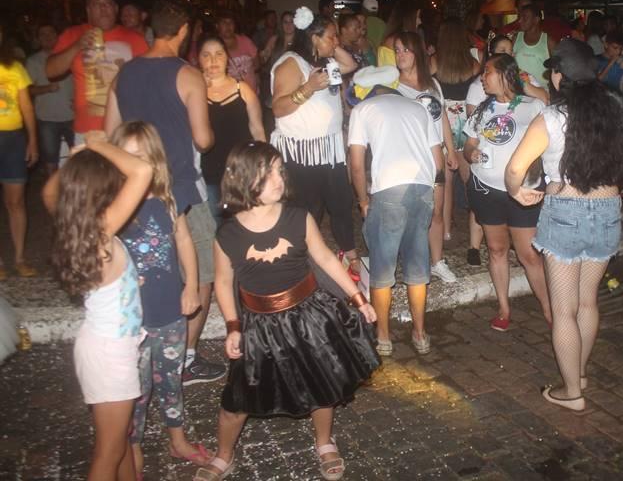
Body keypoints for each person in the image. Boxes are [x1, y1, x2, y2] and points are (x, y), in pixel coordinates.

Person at [194, 142, 379, 481]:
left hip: (309, 316)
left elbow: (325, 259)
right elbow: (223, 281)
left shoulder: (297, 218)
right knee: (238, 396)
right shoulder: (228, 234)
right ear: (244, 180)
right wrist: (233, 325)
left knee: (322, 383)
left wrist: (358, 298)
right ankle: (224, 454)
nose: (279, 179)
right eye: (268, 174)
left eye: (280, 171)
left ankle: (324, 441)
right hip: (258, 324)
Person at [506, 38, 623, 411]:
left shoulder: (551, 118)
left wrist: (516, 191)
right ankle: (578, 373)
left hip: (565, 210)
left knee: (563, 309)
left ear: (558, 76)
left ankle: (572, 393)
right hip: (608, 209)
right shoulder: (614, 111)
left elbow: (515, 169)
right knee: (587, 301)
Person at [105, 0, 223, 387]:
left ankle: (140, 351)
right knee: (200, 273)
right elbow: (203, 140)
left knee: (145, 273)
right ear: (184, 30)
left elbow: (110, 135)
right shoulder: (188, 75)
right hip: (181, 190)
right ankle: (183, 358)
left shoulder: (124, 74)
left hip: (134, 195)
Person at [45, 133, 153, 481]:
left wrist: (75, 161)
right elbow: (142, 171)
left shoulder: (75, 227)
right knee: (108, 452)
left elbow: (48, 193)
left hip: (101, 345)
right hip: (110, 354)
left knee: (119, 442)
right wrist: (96, 145)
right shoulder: (101, 232)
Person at [107, 122, 209, 474]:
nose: (136, 164)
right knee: (135, 388)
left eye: (142, 156)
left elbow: (184, 241)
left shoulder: (167, 199)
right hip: (130, 320)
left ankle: (177, 440)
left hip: (169, 311)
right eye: (127, 157)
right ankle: (130, 445)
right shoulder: (113, 207)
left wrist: (191, 285)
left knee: (170, 378)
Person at [348, 65, 443, 357]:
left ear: (366, 92)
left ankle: (384, 337)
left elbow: (356, 165)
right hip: (422, 187)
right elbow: (438, 161)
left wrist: (363, 201)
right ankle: (420, 334)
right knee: (417, 264)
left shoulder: (362, 110)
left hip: (388, 189)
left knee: (382, 266)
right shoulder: (419, 108)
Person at [270, 7, 362, 281]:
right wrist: (308, 88)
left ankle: (350, 255)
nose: (336, 41)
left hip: (328, 149)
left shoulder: (324, 61)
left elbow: (351, 65)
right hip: (302, 153)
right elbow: (278, 107)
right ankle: (301, 264)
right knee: (308, 210)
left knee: (341, 203)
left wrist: (330, 46)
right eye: (331, 36)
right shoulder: (290, 63)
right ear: (313, 38)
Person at [463, 53, 551, 330]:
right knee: (496, 249)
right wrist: (470, 153)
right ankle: (503, 308)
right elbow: (469, 144)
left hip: (523, 191)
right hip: (486, 189)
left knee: (528, 254)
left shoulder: (532, 106)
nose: (482, 78)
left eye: (487, 71)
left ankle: (550, 310)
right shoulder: (482, 109)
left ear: (504, 74)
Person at [394, 31, 460, 282]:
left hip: (435, 158)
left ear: (418, 53)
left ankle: (437, 262)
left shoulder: (433, 84)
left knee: (436, 211)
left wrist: (451, 150)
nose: (400, 55)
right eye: (397, 50)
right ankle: (411, 261)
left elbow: (441, 117)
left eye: (405, 50)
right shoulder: (392, 86)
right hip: (408, 158)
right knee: (409, 213)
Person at [46, 0, 148, 140]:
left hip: (125, 129)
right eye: (96, 4)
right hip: (88, 131)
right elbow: (50, 71)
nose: (103, 8)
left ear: (115, 9)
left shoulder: (135, 39)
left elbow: (148, 82)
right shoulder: (73, 34)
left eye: (107, 3)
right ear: (88, 10)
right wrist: (77, 46)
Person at [198, 36, 266, 223]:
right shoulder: (194, 92)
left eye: (219, 54)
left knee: (245, 221)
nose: (213, 60)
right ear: (198, 59)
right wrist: (199, 87)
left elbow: (258, 130)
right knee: (217, 224)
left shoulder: (243, 89)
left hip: (240, 170)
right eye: (206, 55)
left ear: (227, 58)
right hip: (208, 172)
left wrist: (262, 166)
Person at [431, 17, 482, 242]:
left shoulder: (434, 61)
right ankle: (478, 225)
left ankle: (445, 230)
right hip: (466, 120)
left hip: (443, 121)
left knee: (446, 180)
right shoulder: (473, 63)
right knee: (470, 177)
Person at [0, 22, 39, 278]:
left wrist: (32, 140)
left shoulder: (14, 67)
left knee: (15, 202)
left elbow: (26, 107)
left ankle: (19, 258)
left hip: (13, 140)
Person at [27, 23, 73, 176]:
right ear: (38, 39)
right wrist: (47, 88)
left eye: (51, 33)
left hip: (73, 116)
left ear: (57, 35)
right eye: (43, 34)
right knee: (50, 159)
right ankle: (52, 190)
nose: (47, 37)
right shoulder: (33, 61)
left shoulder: (69, 55)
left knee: (80, 157)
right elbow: (27, 91)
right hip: (47, 119)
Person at [513, 4, 557, 89]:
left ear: (536, 20)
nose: (520, 21)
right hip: (520, 92)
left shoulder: (549, 41)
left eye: (525, 18)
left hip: (543, 92)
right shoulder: (516, 38)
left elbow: (558, 69)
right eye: (520, 17)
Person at [215, 10, 260, 94]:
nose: (228, 25)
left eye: (231, 22)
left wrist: (256, 75)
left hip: (251, 92)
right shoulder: (213, 46)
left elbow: (257, 62)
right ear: (217, 26)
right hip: (228, 94)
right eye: (224, 22)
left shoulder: (245, 40)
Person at [378, 0, 420, 67]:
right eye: (417, 17)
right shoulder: (395, 42)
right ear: (409, 18)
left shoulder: (394, 38)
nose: (419, 21)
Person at [596, 30, 623, 96]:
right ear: (606, 45)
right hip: (599, 98)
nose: (618, 52)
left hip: (617, 99)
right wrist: (611, 62)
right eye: (615, 48)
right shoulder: (596, 60)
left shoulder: (621, 63)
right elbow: (597, 81)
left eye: (621, 49)